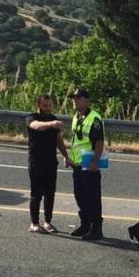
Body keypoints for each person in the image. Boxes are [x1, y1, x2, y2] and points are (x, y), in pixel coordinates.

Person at [26, 94, 70, 234]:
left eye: (50, 105)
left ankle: (48, 222)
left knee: (50, 194)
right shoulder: (32, 118)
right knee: (36, 194)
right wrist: (52, 124)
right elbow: (36, 126)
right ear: (38, 105)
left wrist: (66, 156)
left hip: (51, 162)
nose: (48, 108)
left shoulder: (53, 119)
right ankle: (34, 223)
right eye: (45, 105)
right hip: (36, 162)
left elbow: (58, 140)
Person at [68, 88, 105, 241]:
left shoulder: (94, 118)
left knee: (92, 197)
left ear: (86, 100)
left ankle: (96, 228)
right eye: (74, 98)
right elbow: (75, 140)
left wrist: (96, 161)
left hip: (89, 163)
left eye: (78, 98)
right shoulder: (76, 117)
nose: (75, 101)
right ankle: (85, 224)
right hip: (77, 163)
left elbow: (99, 141)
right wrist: (69, 157)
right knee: (80, 195)